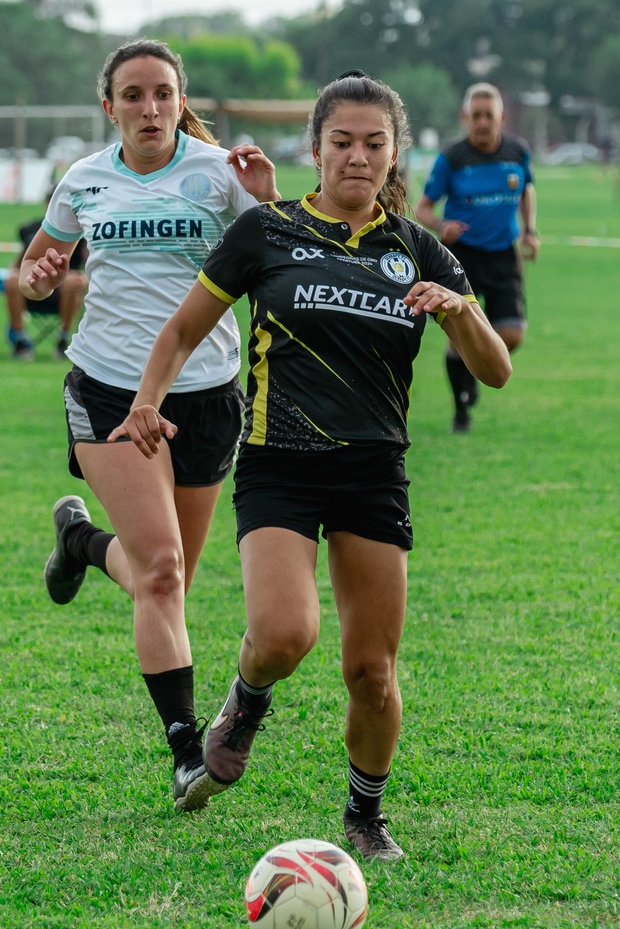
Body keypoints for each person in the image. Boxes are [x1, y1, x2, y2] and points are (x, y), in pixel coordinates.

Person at [115, 71, 511, 860]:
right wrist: (147, 399)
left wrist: (460, 310)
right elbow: (184, 329)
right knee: (285, 632)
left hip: (373, 473)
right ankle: (246, 702)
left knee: (372, 669)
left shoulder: (417, 249)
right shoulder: (267, 232)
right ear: (316, 147)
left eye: (374, 144)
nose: (357, 158)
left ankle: (366, 816)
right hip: (279, 464)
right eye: (342, 142)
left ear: (395, 152)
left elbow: (495, 368)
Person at [22, 38, 280, 809]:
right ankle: (183, 749)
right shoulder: (84, 180)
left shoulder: (215, 173)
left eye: (161, 93)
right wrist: (38, 276)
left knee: (163, 582)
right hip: (107, 389)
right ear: (110, 106)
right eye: (131, 95)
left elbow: (282, 255)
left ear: (180, 98)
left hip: (206, 395)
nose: (148, 107)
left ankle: (80, 543)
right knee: (162, 571)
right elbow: (41, 267)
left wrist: (265, 199)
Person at [414, 83, 536, 433]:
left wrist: (530, 231)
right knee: (459, 336)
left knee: (512, 334)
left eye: (489, 116)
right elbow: (423, 208)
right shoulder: (453, 158)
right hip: (461, 257)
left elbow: (527, 190)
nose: (482, 122)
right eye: (476, 116)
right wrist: (442, 224)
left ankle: (481, 368)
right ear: (465, 117)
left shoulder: (517, 152)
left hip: (503, 256)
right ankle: (461, 410)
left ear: (502, 117)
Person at [3, 215, 87, 360]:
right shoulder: (31, 229)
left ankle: (64, 337)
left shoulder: (82, 228)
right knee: (12, 280)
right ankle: (20, 339)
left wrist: (83, 279)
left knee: (73, 281)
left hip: (64, 291)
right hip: (32, 286)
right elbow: (19, 264)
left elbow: (91, 266)